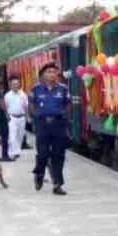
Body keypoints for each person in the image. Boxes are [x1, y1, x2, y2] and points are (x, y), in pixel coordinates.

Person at [30, 62, 70, 195]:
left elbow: (67, 104)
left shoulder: (63, 89)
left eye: (54, 72)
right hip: (42, 125)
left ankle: (57, 184)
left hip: (58, 125)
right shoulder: (36, 88)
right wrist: (35, 116)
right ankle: (39, 173)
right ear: (43, 75)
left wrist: (64, 115)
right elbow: (31, 104)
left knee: (58, 155)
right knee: (43, 154)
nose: (52, 74)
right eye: (49, 72)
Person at [4, 76, 29, 161]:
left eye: (16, 84)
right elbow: (6, 107)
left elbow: (26, 106)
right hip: (12, 118)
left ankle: (16, 151)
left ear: (19, 84)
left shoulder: (23, 94)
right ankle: (13, 153)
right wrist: (7, 116)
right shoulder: (7, 95)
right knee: (12, 136)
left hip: (21, 117)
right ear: (10, 85)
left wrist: (27, 116)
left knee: (20, 136)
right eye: (13, 84)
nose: (15, 85)